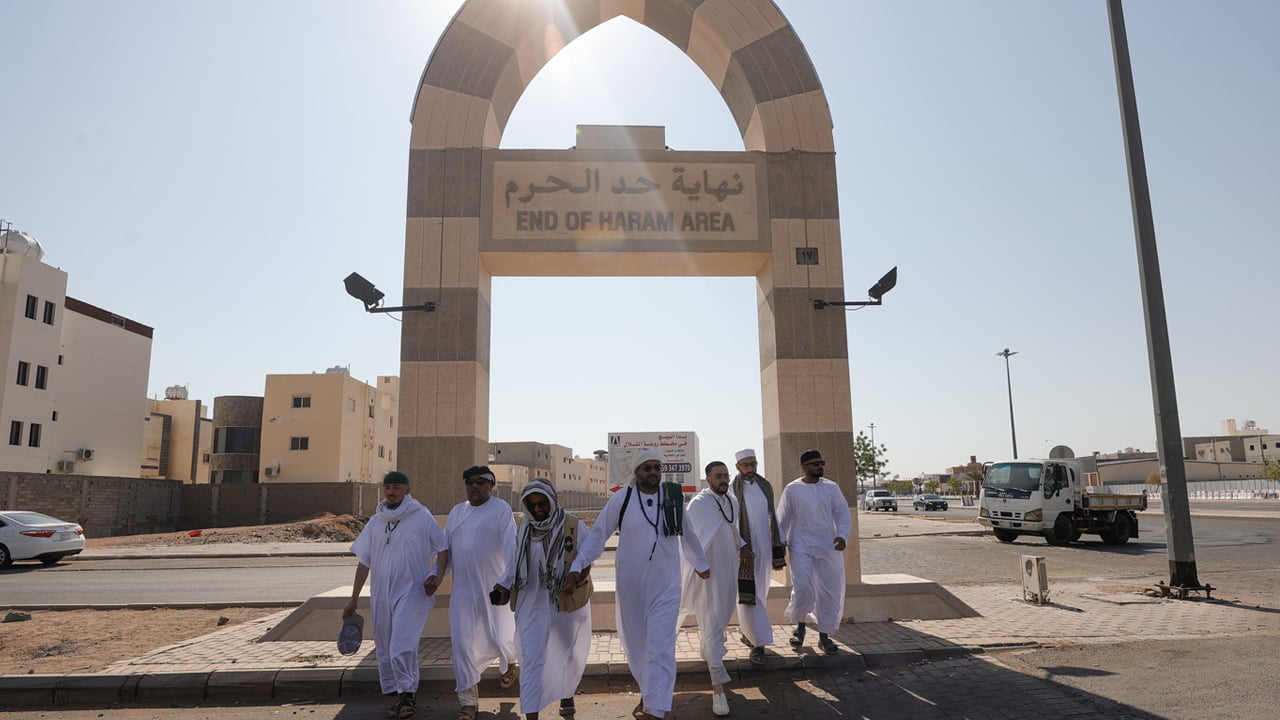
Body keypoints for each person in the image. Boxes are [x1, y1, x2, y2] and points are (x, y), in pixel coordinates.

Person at [563, 447, 711, 720]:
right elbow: (598, 535)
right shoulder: (623, 498)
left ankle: (655, 709)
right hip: (631, 588)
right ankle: (649, 693)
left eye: (657, 467)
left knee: (661, 647)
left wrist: (701, 564)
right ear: (637, 472)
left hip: (666, 586)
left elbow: (688, 534)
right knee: (636, 646)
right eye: (647, 468)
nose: (653, 472)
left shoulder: (673, 498)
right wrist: (577, 565)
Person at [344, 471, 447, 720]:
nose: (391, 492)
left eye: (397, 487)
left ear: (407, 490)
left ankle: (406, 696)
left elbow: (443, 548)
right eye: (387, 487)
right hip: (381, 594)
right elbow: (364, 561)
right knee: (385, 644)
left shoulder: (421, 516)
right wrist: (354, 598)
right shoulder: (376, 521)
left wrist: (436, 576)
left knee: (401, 645)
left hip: (413, 591)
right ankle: (402, 694)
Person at [493, 478, 591, 720]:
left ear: (552, 501)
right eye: (532, 505)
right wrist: (503, 585)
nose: (537, 509)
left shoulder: (572, 525)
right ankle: (531, 714)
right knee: (530, 659)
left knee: (566, 652)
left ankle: (566, 694)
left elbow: (587, 556)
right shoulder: (524, 528)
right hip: (530, 602)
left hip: (563, 602)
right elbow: (514, 564)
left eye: (542, 504)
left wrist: (575, 576)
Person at [439, 465, 518, 720]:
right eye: (470, 482)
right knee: (462, 645)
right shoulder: (457, 512)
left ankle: (509, 661)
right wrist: (435, 576)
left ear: (490, 485)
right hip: (463, 593)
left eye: (480, 482)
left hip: (494, 590)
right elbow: (445, 549)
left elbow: (512, 547)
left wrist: (506, 582)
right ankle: (468, 702)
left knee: (501, 637)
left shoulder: (501, 509)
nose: (474, 486)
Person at [680, 461, 748, 717]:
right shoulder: (699, 504)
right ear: (708, 479)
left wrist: (743, 545)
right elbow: (690, 538)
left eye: (726, 475)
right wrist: (698, 564)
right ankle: (717, 686)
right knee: (711, 620)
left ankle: (710, 651)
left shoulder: (731, 500)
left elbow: (731, 529)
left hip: (728, 569)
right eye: (718, 476)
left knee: (720, 619)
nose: (724, 479)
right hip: (706, 573)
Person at [776, 449, 853, 655]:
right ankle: (800, 626)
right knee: (803, 588)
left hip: (828, 546)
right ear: (804, 466)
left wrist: (842, 536)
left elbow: (843, 514)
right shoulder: (792, 489)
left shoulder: (831, 488)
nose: (820, 467)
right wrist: (780, 542)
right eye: (815, 464)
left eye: (822, 463)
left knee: (828, 591)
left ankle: (824, 636)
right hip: (800, 545)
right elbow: (782, 518)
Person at [728, 448, 786, 665]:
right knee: (748, 595)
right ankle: (758, 644)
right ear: (738, 467)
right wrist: (741, 546)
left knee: (760, 593)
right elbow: (731, 523)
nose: (750, 468)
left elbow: (774, 516)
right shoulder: (731, 490)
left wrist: (780, 541)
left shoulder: (765, 486)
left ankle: (747, 631)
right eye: (746, 465)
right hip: (742, 551)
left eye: (753, 464)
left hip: (765, 548)